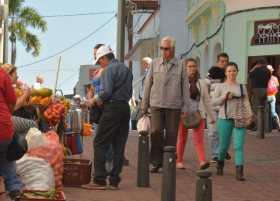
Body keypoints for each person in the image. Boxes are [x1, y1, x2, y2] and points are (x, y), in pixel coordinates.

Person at [86, 45, 133, 189]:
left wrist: (93, 100)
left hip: (112, 108)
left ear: (104, 58)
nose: (100, 64)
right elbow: (129, 92)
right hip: (125, 108)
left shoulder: (108, 70)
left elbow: (106, 92)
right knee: (119, 145)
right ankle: (114, 181)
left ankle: (99, 179)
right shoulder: (126, 69)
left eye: (100, 61)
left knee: (100, 142)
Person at [141, 36, 190, 173]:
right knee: (155, 131)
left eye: (166, 49)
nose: (163, 51)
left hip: (174, 105)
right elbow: (147, 84)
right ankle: (156, 161)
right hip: (156, 103)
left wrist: (186, 106)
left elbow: (185, 87)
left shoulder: (181, 65)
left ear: (173, 49)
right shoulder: (154, 63)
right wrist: (144, 104)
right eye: (161, 48)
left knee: (171, 134)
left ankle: (168, 162)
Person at [212, 62, 253, 181]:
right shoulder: (220, 87)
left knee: (238, 145)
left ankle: (239, 172)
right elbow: (213, 102)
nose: (232, 73)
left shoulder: (241, 87)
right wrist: (224, 97)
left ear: (237, 72)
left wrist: (249, 115)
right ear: (225, 73)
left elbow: (246, 102)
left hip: (239, 119)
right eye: (229, 71)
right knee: (224, 147)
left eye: (234, 70)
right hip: (224, 119)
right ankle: (220, 163)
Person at [176, 58, 215, 170]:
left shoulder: (201, 83)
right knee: (182, 138)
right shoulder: (180, 82)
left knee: (199, 139)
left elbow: (207, 100)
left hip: (199, 114)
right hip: (184, 115)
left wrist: (212, 116)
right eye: (190, 66)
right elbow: (177, 99)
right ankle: (178, 160)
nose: (192, 68)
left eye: (194, 66)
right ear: (184, 68)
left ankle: (202, 161)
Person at [0, 64, 22, 200]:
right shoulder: (2, 75)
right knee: (6, 158)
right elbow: (12, 101)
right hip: (3, 128)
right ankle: (14, 189)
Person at [206, 53, 231, 163]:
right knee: (212, 132)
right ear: (217, 62)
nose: (224, 63)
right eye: (222, 61)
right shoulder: (211, 73)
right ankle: (216, 154)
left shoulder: (229, 74)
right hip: (212, 107)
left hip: (225, 107)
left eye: (226, 61)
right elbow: (205, 89)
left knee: (225, 132)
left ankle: (223, 150)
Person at [266, 65, 280, 130]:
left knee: (270, 112)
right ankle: (277, 125)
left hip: (269, 96)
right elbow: (277, 87)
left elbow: (277, 87)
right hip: (270, 96)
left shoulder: (266, 78)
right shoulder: (274, 78)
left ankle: (277, 126)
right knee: (272, 113)